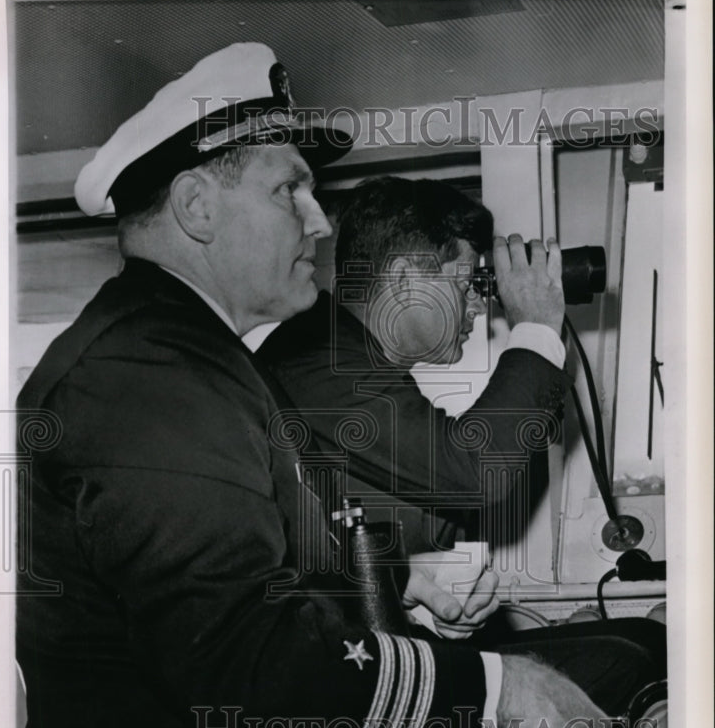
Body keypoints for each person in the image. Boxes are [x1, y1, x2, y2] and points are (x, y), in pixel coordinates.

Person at [16, 43, 649, 728]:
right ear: (196, 206)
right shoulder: (146, 379)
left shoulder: (195, 358)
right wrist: (498, 691)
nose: (319, 224)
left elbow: (258, 569)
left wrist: (400, 579)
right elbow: (250, 663)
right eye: (290, 191)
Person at [258, 176, 666, 667]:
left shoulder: (357, 364)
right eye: (466, 283)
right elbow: (473, 469)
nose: (480, 303)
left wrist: (430, 608)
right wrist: (535, 327)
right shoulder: (316, 357)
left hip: (387, 640)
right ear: (406, 278)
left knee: (640, 642)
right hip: (334, 665)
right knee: (632, 659)